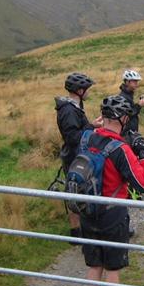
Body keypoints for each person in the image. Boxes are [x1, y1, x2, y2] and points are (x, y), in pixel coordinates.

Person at [82, 95, 144, 286]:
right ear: (123, 118)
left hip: (87, 209)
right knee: (113, 267)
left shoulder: (87, 138)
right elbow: (143, 184)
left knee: (94, 265)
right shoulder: (120, 149)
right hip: (112, 214)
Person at [55, 73, 102, 241]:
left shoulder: (75, 106)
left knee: (76, 190)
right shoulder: (68, 110)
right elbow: (72, 137)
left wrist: (91, 126)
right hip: (74, 156)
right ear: (80, 90)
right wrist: (92, 128)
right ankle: (77, 232)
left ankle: (79, 230)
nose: (89, 92)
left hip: (76, 154)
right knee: (75, 190)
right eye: (87, 89)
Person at [118, 69, 144, 137]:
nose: (136, 84)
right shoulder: (123, 97)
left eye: (137, 81)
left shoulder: (128, 94)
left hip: (131, 132)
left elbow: (130, 109)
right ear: (127, 82)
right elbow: (128, 114)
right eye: (134, 81)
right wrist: (139, 105)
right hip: (127, 134)